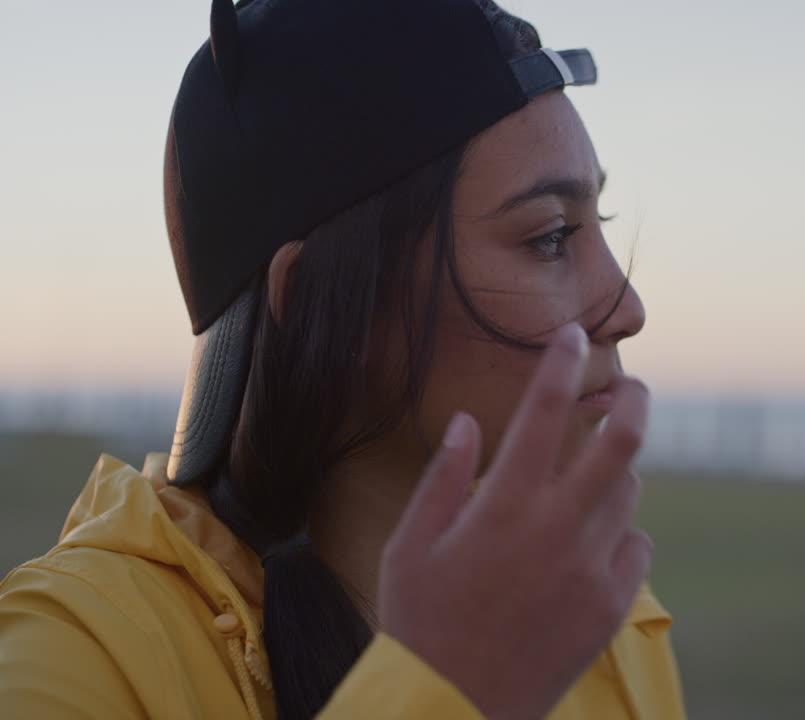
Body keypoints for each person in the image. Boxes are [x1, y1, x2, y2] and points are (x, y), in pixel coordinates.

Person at [0, 0, 685, 718]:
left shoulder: (590, 610)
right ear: (315, 299)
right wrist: (446, 689)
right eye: (549, 236)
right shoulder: (75, 657)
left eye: (595, 223)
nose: (627, 308)